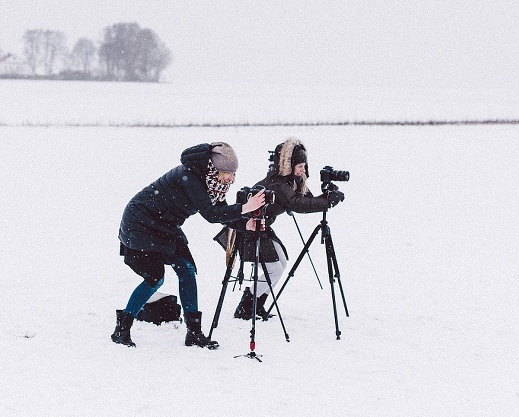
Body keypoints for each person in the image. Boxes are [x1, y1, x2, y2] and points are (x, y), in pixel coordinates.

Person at [112, 142, 265, 349]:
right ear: (214, 168)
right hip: (140, 222)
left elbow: (220, 210)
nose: (231, 178)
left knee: (186, 270)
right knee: (154, 278)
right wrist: (245, 207)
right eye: (227, 173)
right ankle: (122, 329)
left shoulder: (212, 182)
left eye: (233, 174)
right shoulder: (191, 177)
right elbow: (210, 215)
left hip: (165, 224)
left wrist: (245, 223)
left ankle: (194, 333)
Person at [232, 137, 345, 320]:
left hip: (262, 226)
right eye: (299, 166)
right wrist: (327, 203)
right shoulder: (278, 183)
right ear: (288, 165)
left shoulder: (291, 180)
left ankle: (257, 303)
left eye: (304, 165)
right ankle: (246, 306)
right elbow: (297, 204)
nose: (303, 170)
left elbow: (306, 199)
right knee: (275, 268)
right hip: (248, 229)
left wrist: (326, 194)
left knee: (281, 263)